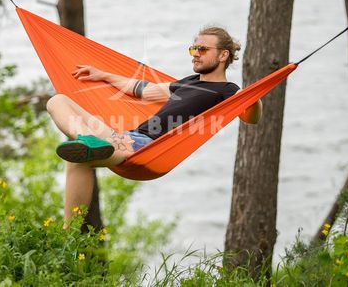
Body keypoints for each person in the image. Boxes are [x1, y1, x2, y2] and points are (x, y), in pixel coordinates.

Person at [45, 26, 262, 222]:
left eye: (203, 49)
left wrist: (252, 98)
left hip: (147, 147)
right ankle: (87, 139)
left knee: (82, 159)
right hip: (125, 136)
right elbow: (144, 91)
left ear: (223, 55)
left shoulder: (228, 90)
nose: (195, 54)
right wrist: (103, 74)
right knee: (58, 102)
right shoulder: (188, 82)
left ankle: (69, 235)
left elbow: (250, 118)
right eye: (193, 49)